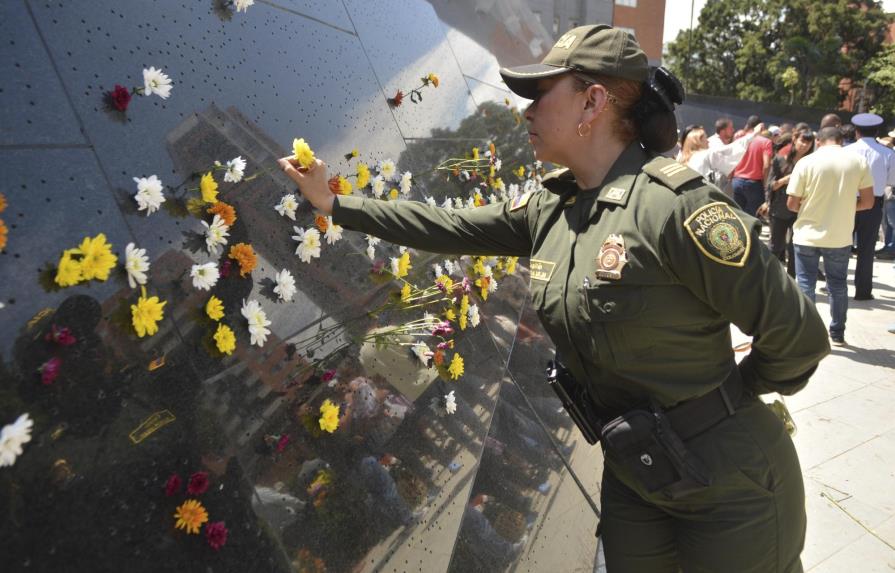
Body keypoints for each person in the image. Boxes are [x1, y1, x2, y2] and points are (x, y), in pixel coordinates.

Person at [279, 24, 829, 572]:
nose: (525, 111)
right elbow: (448, 224)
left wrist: (723, 403)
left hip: (728, 477)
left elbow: (799, 337)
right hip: (636, 472)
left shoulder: (674, 208)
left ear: (593, 102)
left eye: (540, 95)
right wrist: (334, 203)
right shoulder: (551, 208)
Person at [786, 127, 875, 345]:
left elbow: (791, 203)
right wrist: (841, 207)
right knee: (838, 284)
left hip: (807, 235)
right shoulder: (858, 161)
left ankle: (808, 332)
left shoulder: (806, 162)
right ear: (841, 140)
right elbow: (868, 202)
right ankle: (837, 332)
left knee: (805, 282)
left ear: (818, 140)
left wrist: (813, 208)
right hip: (840, 236)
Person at [845, 113, 895, 299]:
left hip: (847, 202)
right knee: (866, 249)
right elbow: (891, 180)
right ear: (876, 132)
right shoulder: (887, 153)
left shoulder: (846, 151)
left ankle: (837, 285)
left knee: (841, 245)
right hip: (873, 203)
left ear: (856, 132)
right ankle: (863, 290)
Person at [761, 129, 815, 276]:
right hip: (779, 208)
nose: (805, 145)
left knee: (795, 248)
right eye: (802, 141)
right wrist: (787, 179)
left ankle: (791, 281)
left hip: (801, 210)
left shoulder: (811, 163)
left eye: (808, 142)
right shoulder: (780, 159)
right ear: (794, 139)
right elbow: (770, 185)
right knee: (775, 247)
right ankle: (769, 278)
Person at [678, 123, 759, 184]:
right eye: (705, 138)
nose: (708, 141)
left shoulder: (681, 157)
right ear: (698, 141)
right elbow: (730, 150)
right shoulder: (705, 155)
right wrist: (754, 133)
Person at [731, 117, 774, 217]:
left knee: (737, 215)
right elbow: (767, 165)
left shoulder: (739, 139)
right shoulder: (765, 142)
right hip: (754, 184)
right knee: (752, 217)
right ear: (761, 127)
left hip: (737, 181)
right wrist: (764, 183)